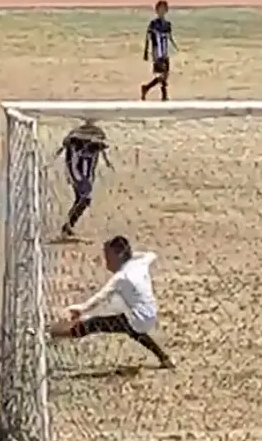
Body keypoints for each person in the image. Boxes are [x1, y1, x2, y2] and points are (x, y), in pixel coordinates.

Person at [46, 235, 175, 369]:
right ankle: (164, 358)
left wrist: (82, 308)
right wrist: (131, 256)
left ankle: (51, 333)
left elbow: (100, 297)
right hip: (150, 313)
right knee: (130, 327)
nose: (106, 261)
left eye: (108, 256)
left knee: (95, 324)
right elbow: (151, 255)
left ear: (118, 255)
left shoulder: (121, 277)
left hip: (138, 317)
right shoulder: (141, 262)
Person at [54, 120, 113, 238]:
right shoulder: (76, 145)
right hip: (78, 174)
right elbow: (72, 157)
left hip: (83, 175)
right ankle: (67, 227)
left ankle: (67, 227)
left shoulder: (89, 147)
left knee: (82, 199)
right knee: (84, 198)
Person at [141, 0, 177, 102]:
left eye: (164, 9)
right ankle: (164, 95)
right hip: (157, 52)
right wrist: (146, 52)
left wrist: (175, 47)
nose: (162, 11)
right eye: (160, 9)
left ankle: (147, 88)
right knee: (162, 74)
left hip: (165, 52)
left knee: (165, 75)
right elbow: (148, 38)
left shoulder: (167, 24)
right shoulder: (153, 24)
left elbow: (170, 37)